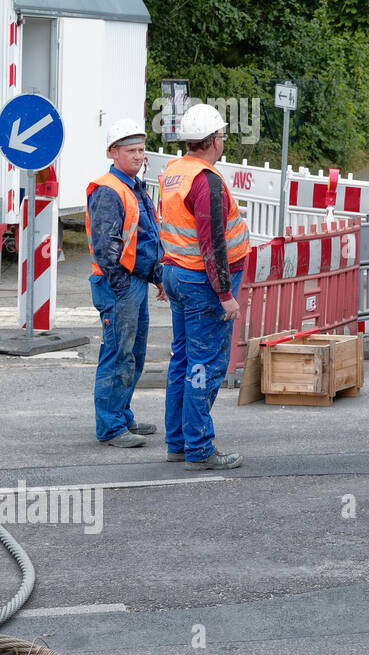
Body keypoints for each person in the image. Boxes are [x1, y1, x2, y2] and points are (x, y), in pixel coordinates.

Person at [158, 103, 250, 470]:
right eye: (223, 136)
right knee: (206, 363)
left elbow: (167, 224)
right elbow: (212, 243)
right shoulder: (206, 181)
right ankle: (198, 448)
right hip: (202, 283)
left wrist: (166, 272)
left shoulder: (174, 171)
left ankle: (178, 442)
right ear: (213, 140)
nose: (223, 141)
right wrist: (225, 295)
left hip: (179, 274)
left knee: (182, 360)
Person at [87, 119, 167, 448]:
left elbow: (145, 240)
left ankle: (122, 416)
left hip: (133, 285)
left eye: (141, 150)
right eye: (131, 151)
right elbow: (108, 249)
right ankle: (110, 427)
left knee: (133, 354)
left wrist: (157, 276)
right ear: (113, 153)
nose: (138, 156)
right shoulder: (110, 190)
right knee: (119, 355)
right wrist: (122, 288)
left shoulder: (134, 186)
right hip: (118, 286)